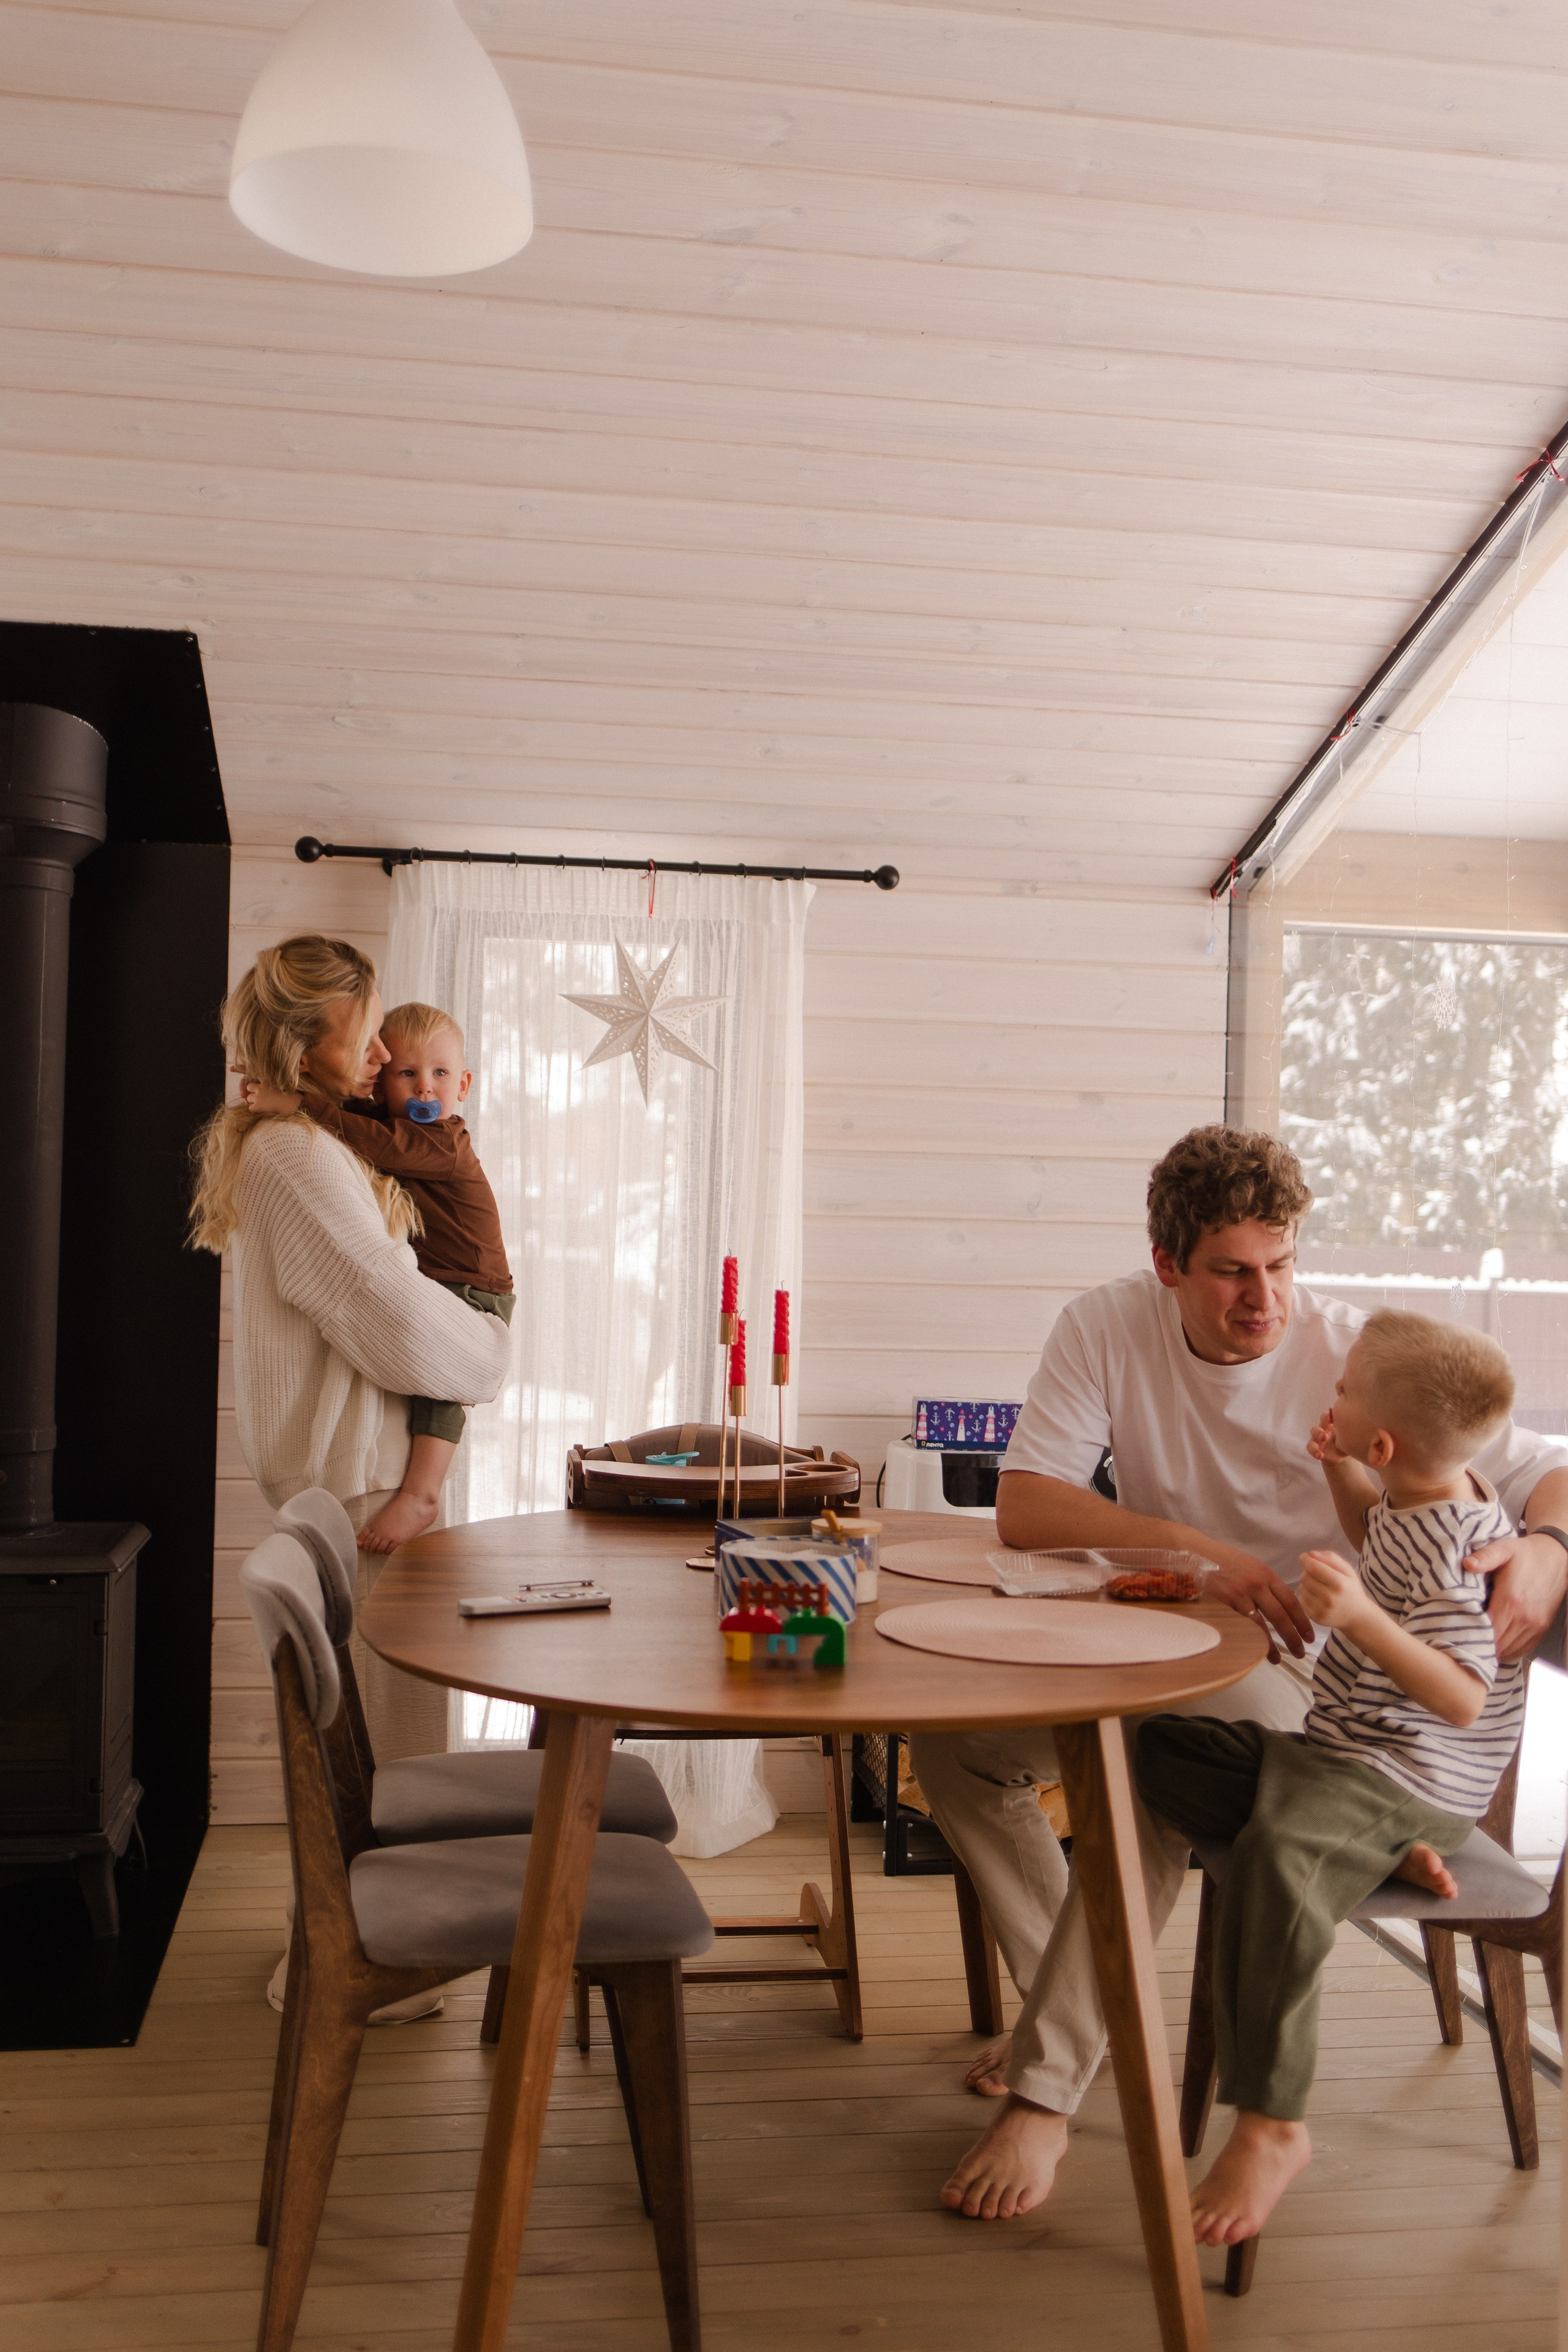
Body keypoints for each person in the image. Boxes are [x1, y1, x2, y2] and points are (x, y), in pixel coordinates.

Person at [913, 1124, 1568, 2221]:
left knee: (1140, 1768)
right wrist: (1208, 1559)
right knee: (959, 1747)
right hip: (1162, 1635)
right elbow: (1027, 1507)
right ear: (1170, 1265)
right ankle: (1070, 2016)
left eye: (1280, 1264)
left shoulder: (1361, 1357)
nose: (1263, 1299)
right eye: (1229, 1272)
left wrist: (1550, 1551)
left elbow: (1545, 1463)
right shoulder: (1107, 1324)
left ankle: (1045, 2091)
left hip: (1322, 1686)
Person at [1136, 1310, 1524, 2248]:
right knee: (1157, 1748)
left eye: (1343, 1391)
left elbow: (1465, 1698)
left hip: (1404, 1773)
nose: (1332, 1395)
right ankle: (1381, 1855)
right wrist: (1338, 1469)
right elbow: (1372, 1528)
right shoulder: (1410, 1496)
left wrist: (1358, 1620)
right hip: (1338, 1756)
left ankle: (1272, 2124)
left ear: (1386, 1437)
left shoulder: (1460, 1543)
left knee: (1277, 1857)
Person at [190, 935, 511, 1767]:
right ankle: (402, 1901)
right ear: (303, 1051)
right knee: (404, 1764)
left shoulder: (312, 1140)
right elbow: (402, 1324)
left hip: (360, 1483)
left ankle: (367, 1900)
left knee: (383, 1752)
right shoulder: (298, 1154)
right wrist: (491, 1351)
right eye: (364, 1035)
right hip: (364, 1490)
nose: (384, 1057)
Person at [241, 998, 513, 1556]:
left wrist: (295, 1102)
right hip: (441, 1279)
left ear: (464, 1083)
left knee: (439, 1391)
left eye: (440, 1074)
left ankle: (422, 1491)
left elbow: (378, 1144)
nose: (424, 1090)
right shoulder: (370, 1129)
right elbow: (360, 1131)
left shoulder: (446, 1142)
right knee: (428, 1384)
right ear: (381, 1085)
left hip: (472, 1284)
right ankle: (421, 1490)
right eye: (407, 1074)